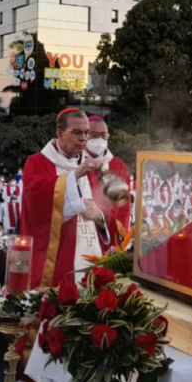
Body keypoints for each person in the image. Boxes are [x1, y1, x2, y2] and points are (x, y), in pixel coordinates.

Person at [20, 108, 104, 287]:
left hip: (90, 250)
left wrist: (100, 216)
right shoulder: (38, 163)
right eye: (77, 132)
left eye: (87, 133)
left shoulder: (90, 166)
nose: (84, 138)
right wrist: (76, 175)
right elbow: (35, 208)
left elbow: (101, 207)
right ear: (60, 133)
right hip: (57, 255)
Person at [85, 115, 132, 249]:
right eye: (93, 134)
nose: (99, 139)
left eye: (103, 135)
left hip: (111, 231)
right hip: (84, 229)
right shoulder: (76, 162)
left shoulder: (117, 165)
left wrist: (119, 234)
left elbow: (123, 205)